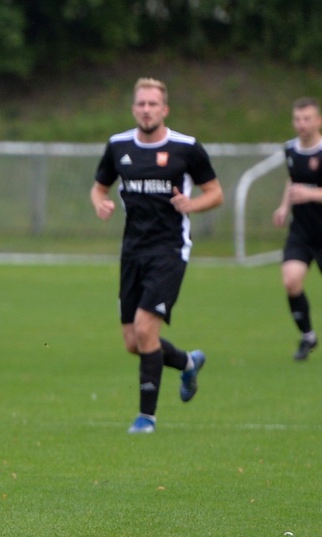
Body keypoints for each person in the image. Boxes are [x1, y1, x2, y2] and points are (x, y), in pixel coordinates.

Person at [90, 78, 224, 434]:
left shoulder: (186, 148)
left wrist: (191, 204)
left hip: (169, 250)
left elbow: (216, 193)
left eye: (153, 104)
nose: (147, 109)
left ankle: (146, 418)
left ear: (164, 109)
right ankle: (187, 362)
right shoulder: (118, 146)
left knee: (146, 329)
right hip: (132, 251)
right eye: (141, 103)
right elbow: (99, 185)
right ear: (134, 108)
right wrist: (99, 203)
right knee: (133, 342)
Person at [272, 97, 322, 361]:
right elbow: (293, 180)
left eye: (307, 119)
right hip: (300, 232)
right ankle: (308, 336)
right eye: (297, 119)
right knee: (291, 280)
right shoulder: (291, 150)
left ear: (319, 121)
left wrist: (311, 194)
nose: (302, 124)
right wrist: (284, 207)